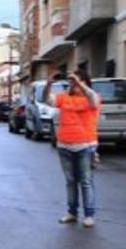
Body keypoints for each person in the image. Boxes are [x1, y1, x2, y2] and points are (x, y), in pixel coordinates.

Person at [44, 69, 100, 227]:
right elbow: (46, 100)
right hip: (64, 145)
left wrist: (79, 83)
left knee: (86, 181)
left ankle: (89, 215)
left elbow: (93, 100)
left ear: (85, 83)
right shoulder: (64, 97)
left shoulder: (91, 97)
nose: (72, 84)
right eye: (71, 81)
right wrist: (49, 84)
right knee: (70, 181)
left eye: (76, 80)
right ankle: (72, 213)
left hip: (85, 145)